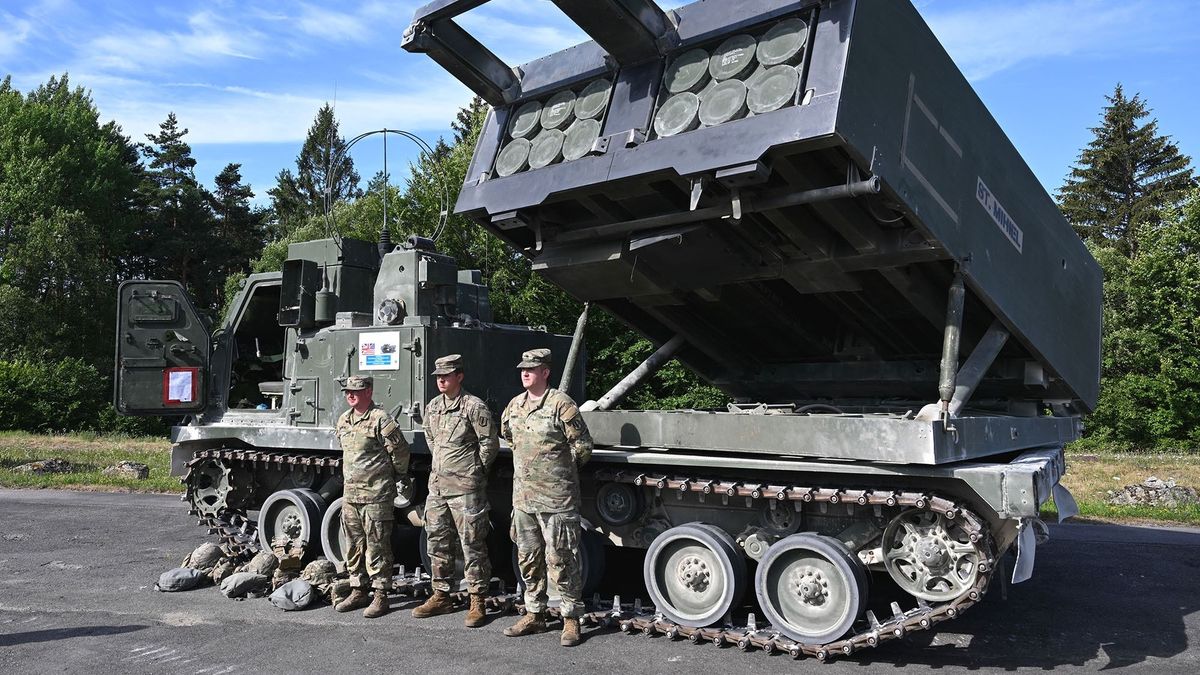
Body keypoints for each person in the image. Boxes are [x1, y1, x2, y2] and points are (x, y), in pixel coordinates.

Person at [500, 348, 594, 647]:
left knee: (561, 560)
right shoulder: (514, 406)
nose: (525, 372)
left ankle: (570, 618)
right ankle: (535, 614)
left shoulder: (561, 405)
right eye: (523, 368)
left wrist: (559, 472)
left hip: (556, 498)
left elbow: (583, 447)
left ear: (545, 372)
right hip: (524, 498)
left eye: (532, 368)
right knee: (528, 559)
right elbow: (509, 437)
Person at [411, 354, 499, 627]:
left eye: (446, 376)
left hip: (466, 489)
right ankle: (442, 595)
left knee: (472, 544)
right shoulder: (433, 406)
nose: (441, 380)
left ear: (459, 376)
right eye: (438, 376)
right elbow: (430, 439)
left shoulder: (474, 407)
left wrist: (473, 471)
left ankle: (477, 600)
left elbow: (489, 444)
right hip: (437, 488)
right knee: (437, 541)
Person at [333, 375, 411, 618]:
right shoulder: (344, 420)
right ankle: (358, 590)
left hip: (376, 494)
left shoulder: (381, 419)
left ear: (369, 391)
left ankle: (380, 595)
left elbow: (400, 452)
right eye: (347, 391)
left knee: (377, 547)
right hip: (351, 495)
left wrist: (396, 476)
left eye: (356, 390)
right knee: (354, 546)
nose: (350, 394)